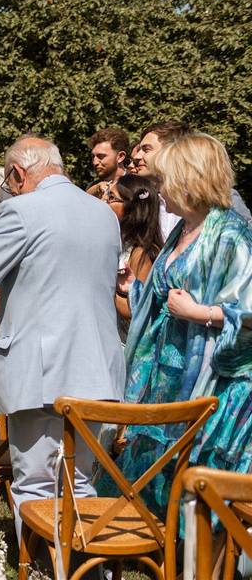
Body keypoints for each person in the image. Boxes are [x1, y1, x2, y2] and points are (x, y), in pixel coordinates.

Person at [0, 135, 125, 540]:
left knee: (35, 482)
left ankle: (41, 568)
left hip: (39, 368)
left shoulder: (20, 210)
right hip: (97, 367)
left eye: (10, 183)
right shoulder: (103, 214)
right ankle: (84, 565)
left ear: (17, 173)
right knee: (80, 481)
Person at [111, 132, 252, 514]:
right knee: (154, 459)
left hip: (207, 379)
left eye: (163, 181)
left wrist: (199, 313)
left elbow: (249, 312)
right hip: (163, 371)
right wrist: (134, 289)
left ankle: (187, 552)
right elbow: (163, 300)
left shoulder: (231, 236)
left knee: (191, 466)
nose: (158, 192)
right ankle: (156, 544)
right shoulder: (182, 230)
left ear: (191, 179)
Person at [107, 174, 162, 343]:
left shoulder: (141, 254)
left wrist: (101, 285)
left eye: (111, 197)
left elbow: (134, 310)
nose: (104, 202)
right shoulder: (119, 243)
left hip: (129, 347)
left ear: (131, 208)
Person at [86, 127, 129, 200]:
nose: (95, 162)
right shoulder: (93, 187)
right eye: (93, 157)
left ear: (120, 157)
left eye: (101, 156)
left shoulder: (135, 186)